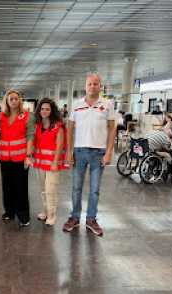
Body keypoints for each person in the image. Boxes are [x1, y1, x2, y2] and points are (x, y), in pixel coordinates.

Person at [63, 73, 116, 237]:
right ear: (85, 86)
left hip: (98, 153)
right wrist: (68, 152)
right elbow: (70, 128)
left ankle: (91, 219)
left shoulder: (107, 104)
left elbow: (112, 128)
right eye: (89, 84)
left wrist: (108, 153)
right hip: (79, 151)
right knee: (76, 188)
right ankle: (75, 217)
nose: (92, 86)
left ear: (100, 86)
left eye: (95, 84)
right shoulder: (77, 105)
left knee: (94, 190)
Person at [0, 90, 34, 227]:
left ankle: (23, 215)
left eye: (16, 99)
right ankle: (9, 212)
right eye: (10, 99)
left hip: (21, 158)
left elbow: (30, 136)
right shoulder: (1, 116)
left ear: (19, 100)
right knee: (7, 187)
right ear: (6, 101)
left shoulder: (27, 116)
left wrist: (28, 156)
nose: (13, 101)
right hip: (5, 158)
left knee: (21, 187)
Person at [33, 98, 67, 226]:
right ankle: (46, 211)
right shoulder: (38, 125)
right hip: (40, 163)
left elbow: (59, 145)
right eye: (42, 109)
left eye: (47, 109)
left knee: (50, 189)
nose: (44, 111)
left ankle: (52, 215)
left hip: (53, 163)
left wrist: (55, 162)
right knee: (42, 189)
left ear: (52, 111)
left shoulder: (58, 125)